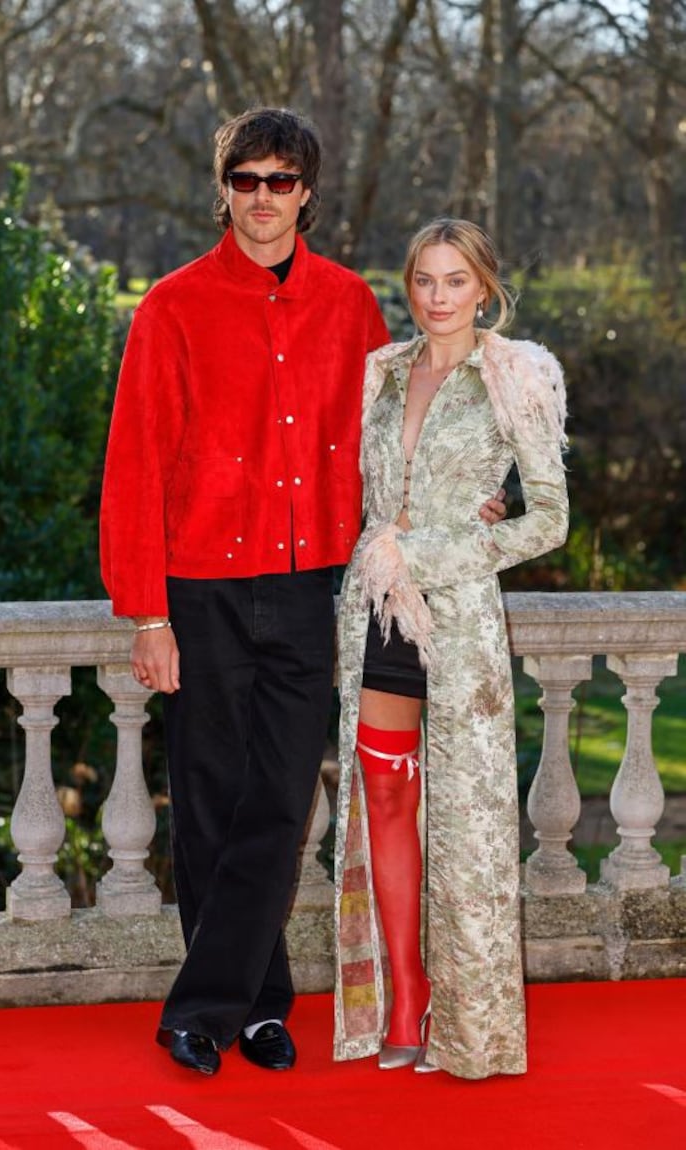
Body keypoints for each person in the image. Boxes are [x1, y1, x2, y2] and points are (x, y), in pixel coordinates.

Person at [100, 110, 505, 1078]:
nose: (262, 198)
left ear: (306, 192)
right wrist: (146, 613)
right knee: (207, 806)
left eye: (280, 181)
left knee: (279, 803)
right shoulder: (171, 306)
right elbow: (134, 464)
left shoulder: (347, 307)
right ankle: (257, 1006)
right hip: (198, 589)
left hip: (314, 585)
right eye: (245, 180)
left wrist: (469, 497)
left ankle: (207, 1006)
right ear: (223, 189)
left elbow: (393, 442)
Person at [332, 218, 569, 1079]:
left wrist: (433, 551)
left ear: (485, 289)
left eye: (455, 281)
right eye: (424, 281)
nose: (437, 298)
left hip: (460, 622)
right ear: (409, 286)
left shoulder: (516, 377)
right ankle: (404, 993)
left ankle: (473, 1024)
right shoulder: (379, 376)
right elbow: (354, 490)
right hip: (378, 622)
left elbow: (548, 517)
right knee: (385, 803)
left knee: (466, 825)